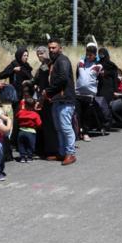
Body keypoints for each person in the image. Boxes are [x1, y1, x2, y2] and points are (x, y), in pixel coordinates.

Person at [44, 38, 77, 166]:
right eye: (50, 48)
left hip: (65, 100)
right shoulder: (55, 61)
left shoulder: (63, 60)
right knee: (59, 128)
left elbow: (63, 78)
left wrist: (48, 91)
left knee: (65, 127)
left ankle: (70, 154)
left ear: (60, 48)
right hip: (57, 100)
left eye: (54, 47)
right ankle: (62, 153)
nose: (51, 50)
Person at [75, 43, 103, 141]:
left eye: (91, 55)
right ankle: (78, 132)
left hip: (89, 94)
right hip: (78, 93)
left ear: (95, 55)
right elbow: (77, 75)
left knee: (87, 115)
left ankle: (85, 133)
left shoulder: (98, 66)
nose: (88, 56)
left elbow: (99, 78)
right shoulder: (81, 62)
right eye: (87, 54)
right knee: (77, 114)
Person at [16, 97, 42, 163]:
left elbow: (17, 117)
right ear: (33, 106)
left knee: (21, 145)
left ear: (25, 105)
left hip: (21, 131)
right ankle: (29, 157)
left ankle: (22, 157)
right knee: (30, 145)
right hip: (31, 132)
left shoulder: (21, 112)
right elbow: (39, 123)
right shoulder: (35, 114)